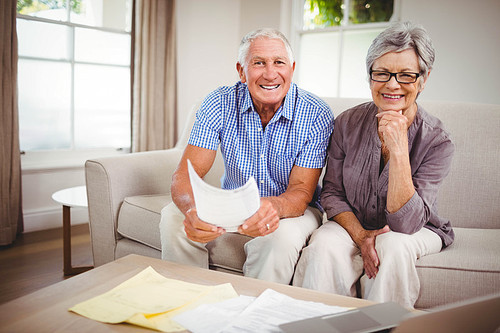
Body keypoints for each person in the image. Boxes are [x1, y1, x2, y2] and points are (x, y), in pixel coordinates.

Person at [292, 22, 455, 308]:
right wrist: (361, 235)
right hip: (354, 222)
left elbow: (406, 223)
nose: (392, 84)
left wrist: (399, 149)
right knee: (324, 247)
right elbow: (331, 193)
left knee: (392, 246)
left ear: (423, 79)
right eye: (382, 73)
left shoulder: (438, 141)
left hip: (418, 229)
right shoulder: (346, 123)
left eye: (406, 75)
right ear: (370, 77)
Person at [159, 28, 334, 284]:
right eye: (259, 63)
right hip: (233, 201)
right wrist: (192, 209)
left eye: (279, 63)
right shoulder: (218, 103)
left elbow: (301, 192)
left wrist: (271, 208)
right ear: (242, 71)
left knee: (279, 240)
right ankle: (188, 305)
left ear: (292, 68)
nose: (270, 73)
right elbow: (186, 173)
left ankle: (254, 316)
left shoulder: (316, 114)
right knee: (173, 217)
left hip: (292, 209)